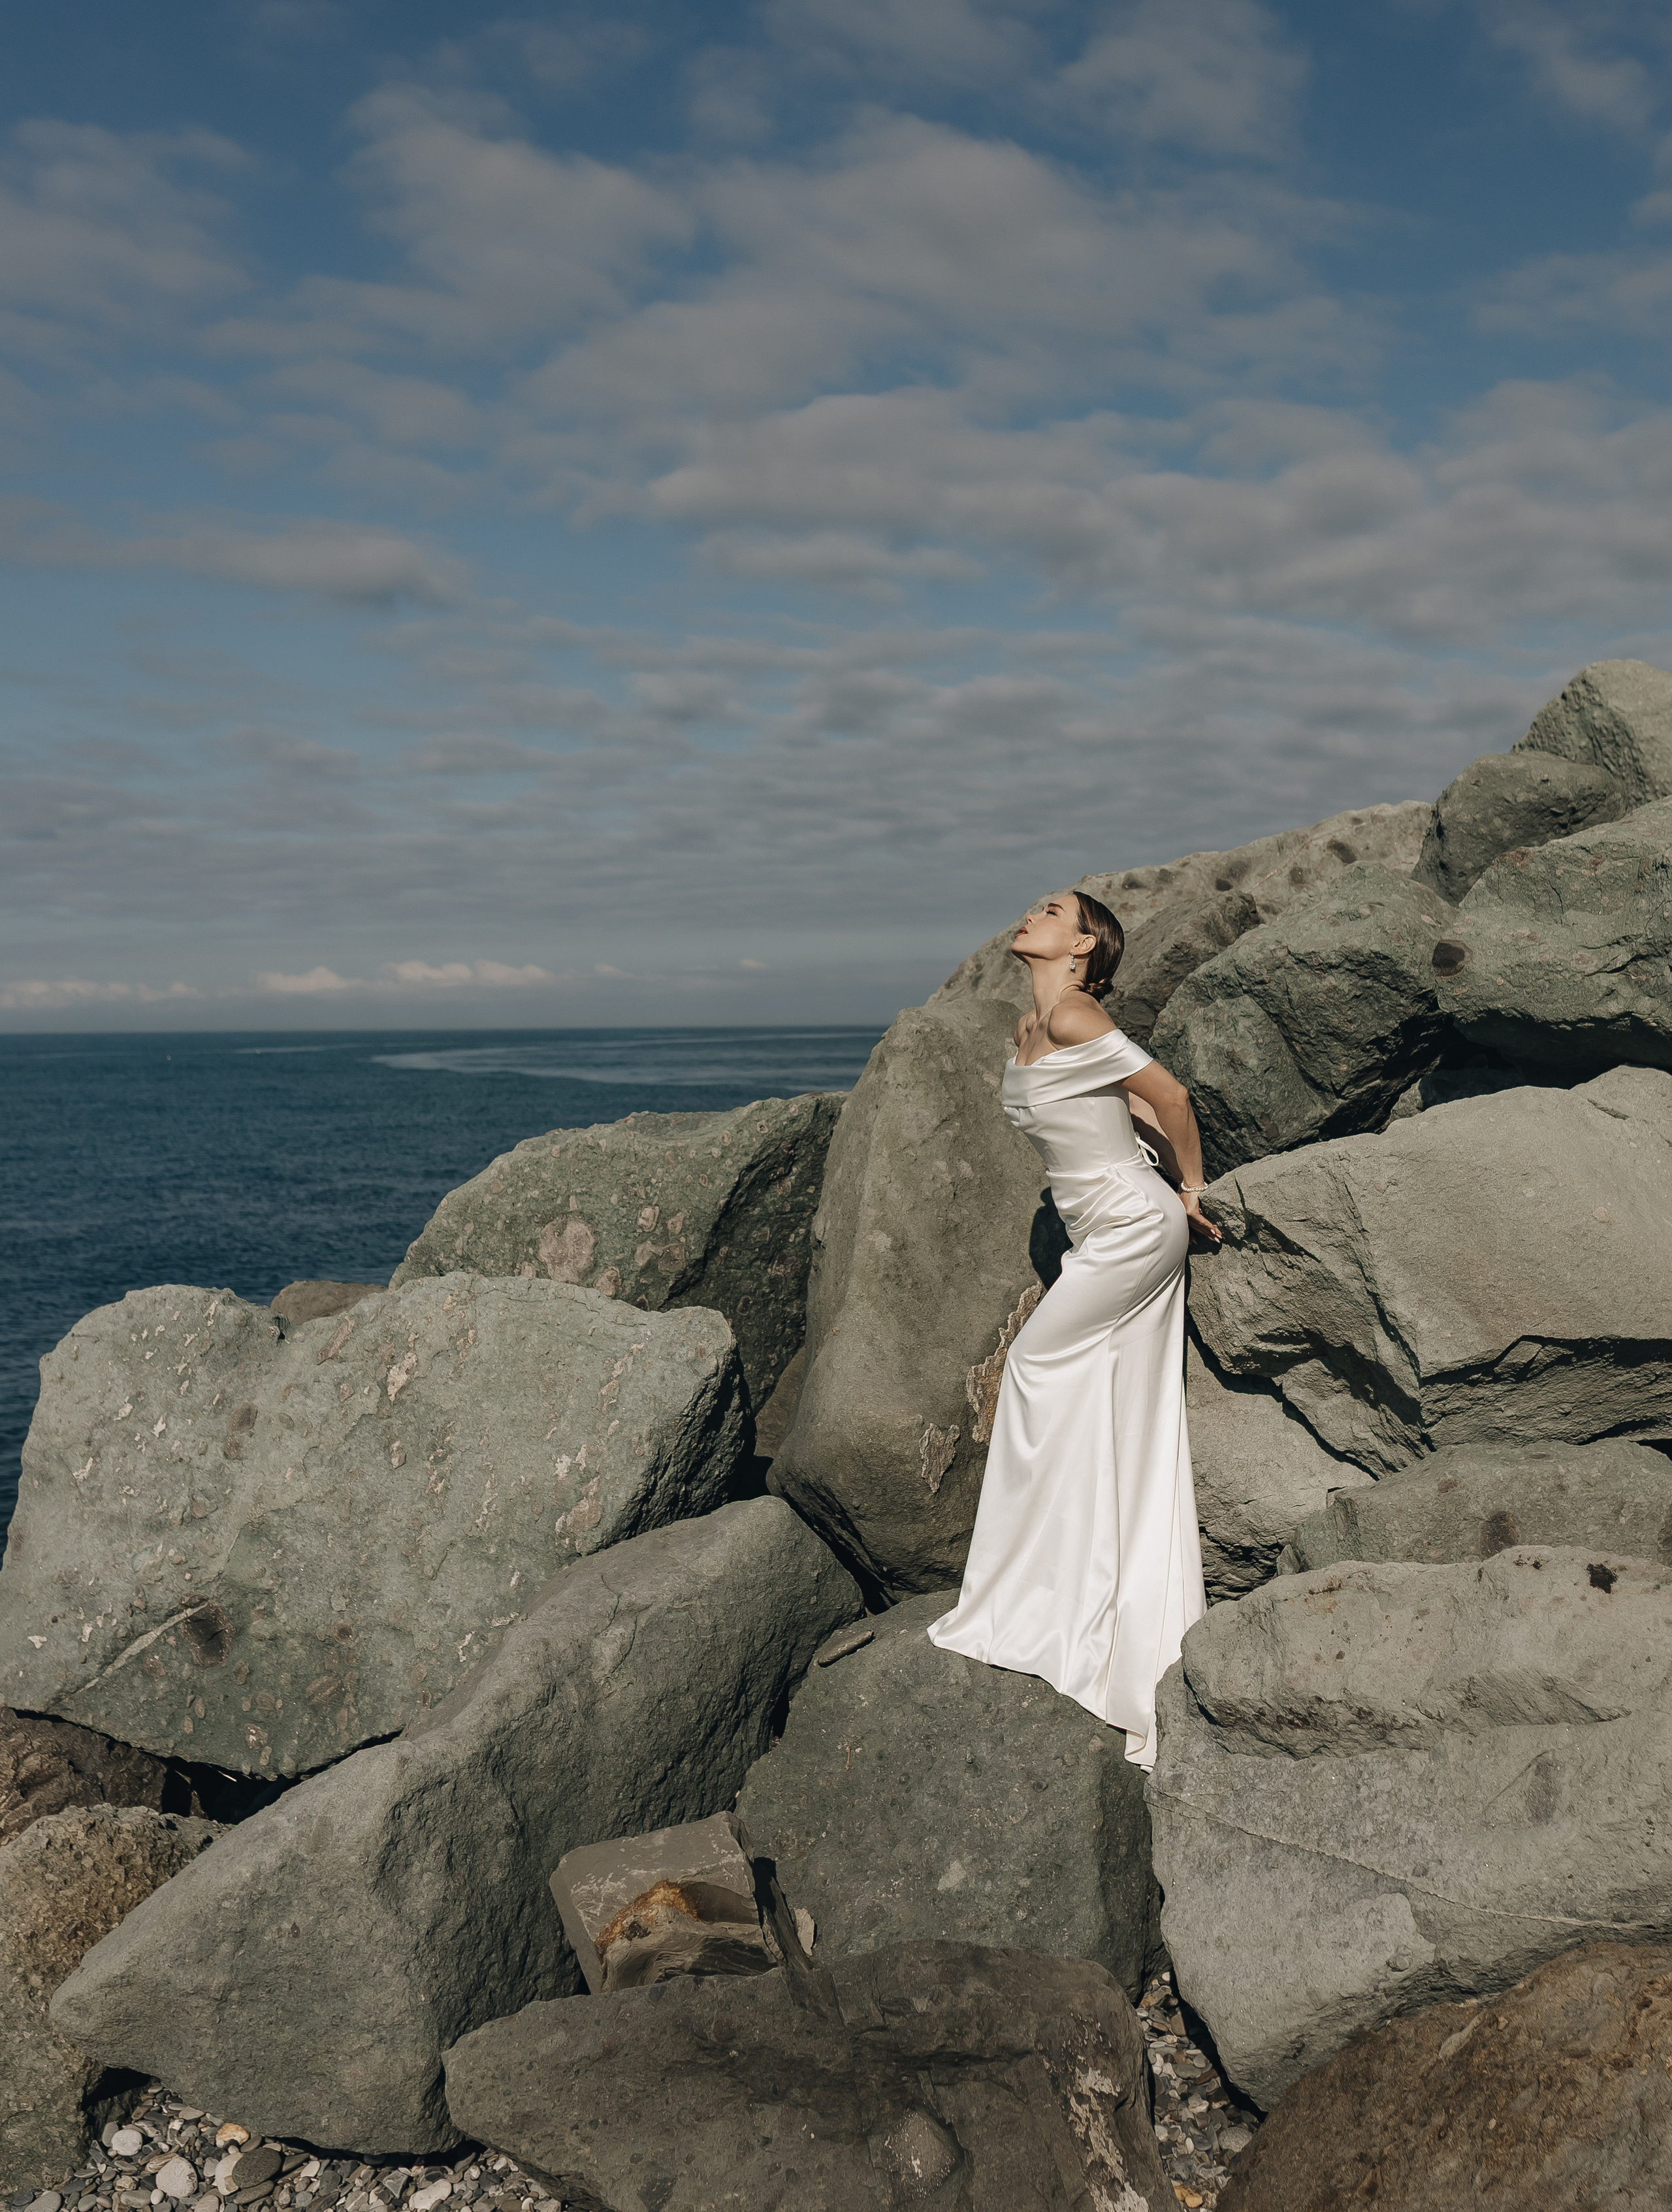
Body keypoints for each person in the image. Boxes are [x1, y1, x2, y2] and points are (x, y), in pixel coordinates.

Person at [927, 886, 1219, 1768]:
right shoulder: (1033, 1029)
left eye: (1053, 910)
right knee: (1109, 1413)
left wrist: (1192, 1189)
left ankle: (1027, 1591)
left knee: (1033, 1371)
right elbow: (1123, 1113)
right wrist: (1159, 1162)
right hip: (1108, 1227)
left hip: (1132, 1229)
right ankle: (1072, 1593)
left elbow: (1169, 1095)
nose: (1032, 916)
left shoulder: (1079, 1014)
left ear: (1085, 943)